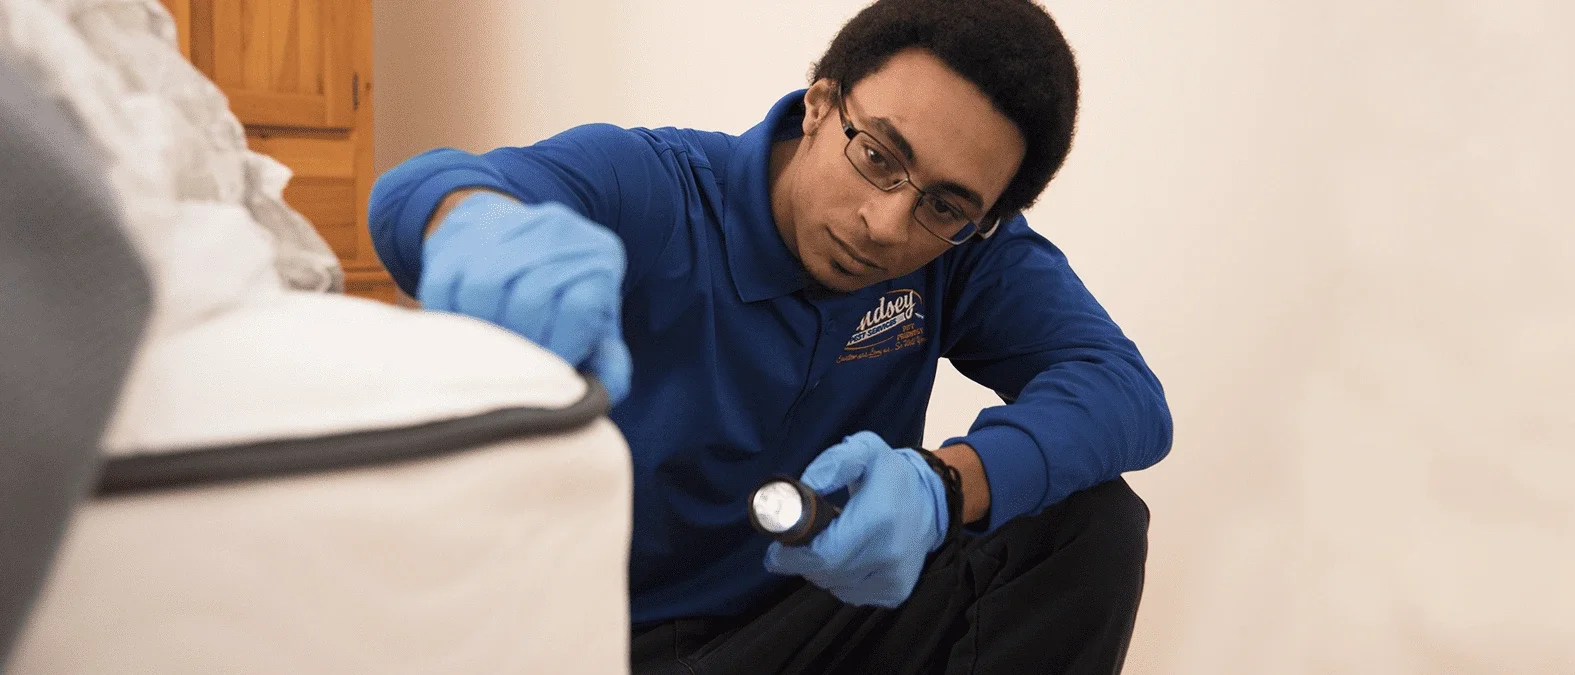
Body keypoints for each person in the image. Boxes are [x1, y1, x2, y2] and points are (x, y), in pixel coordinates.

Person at [368, 0, 1172, 672]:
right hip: (600, 643)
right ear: (820, 104)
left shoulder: (960, 252)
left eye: (945, 206)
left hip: (809, 624)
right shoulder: (661, 188)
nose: (888, 222)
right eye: (880, 157)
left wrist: (946, 485)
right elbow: (427, 186)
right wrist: (471, 220)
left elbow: (1122, 390)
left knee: (1090, 527)